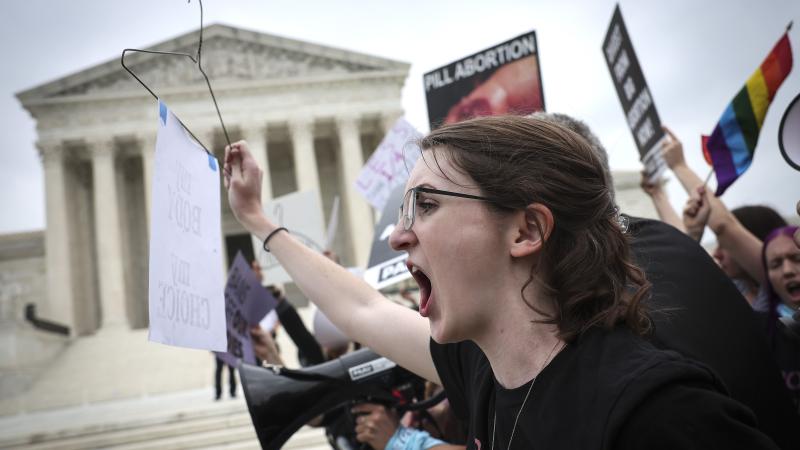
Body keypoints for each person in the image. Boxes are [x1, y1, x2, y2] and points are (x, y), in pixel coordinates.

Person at [224, 115, 778, 449]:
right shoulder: (484, 368)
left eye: (427, 205)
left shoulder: (658, 413)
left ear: (527, 230)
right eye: (403, 209)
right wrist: (257, 221)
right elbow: (363, 309)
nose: (397, 236)